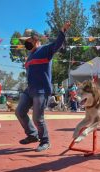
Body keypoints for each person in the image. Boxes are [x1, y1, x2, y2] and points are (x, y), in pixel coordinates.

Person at [15, 21, 71, 152]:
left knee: (37, 118)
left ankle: (45, 141)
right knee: (19, 112)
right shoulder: (29, 56)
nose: (25, 43)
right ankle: (32, 135)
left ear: (35, 39)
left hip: (42, 90)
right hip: (30, 90)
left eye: (27, 40)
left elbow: (57, 45)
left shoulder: (45, 50)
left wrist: (62, 31)